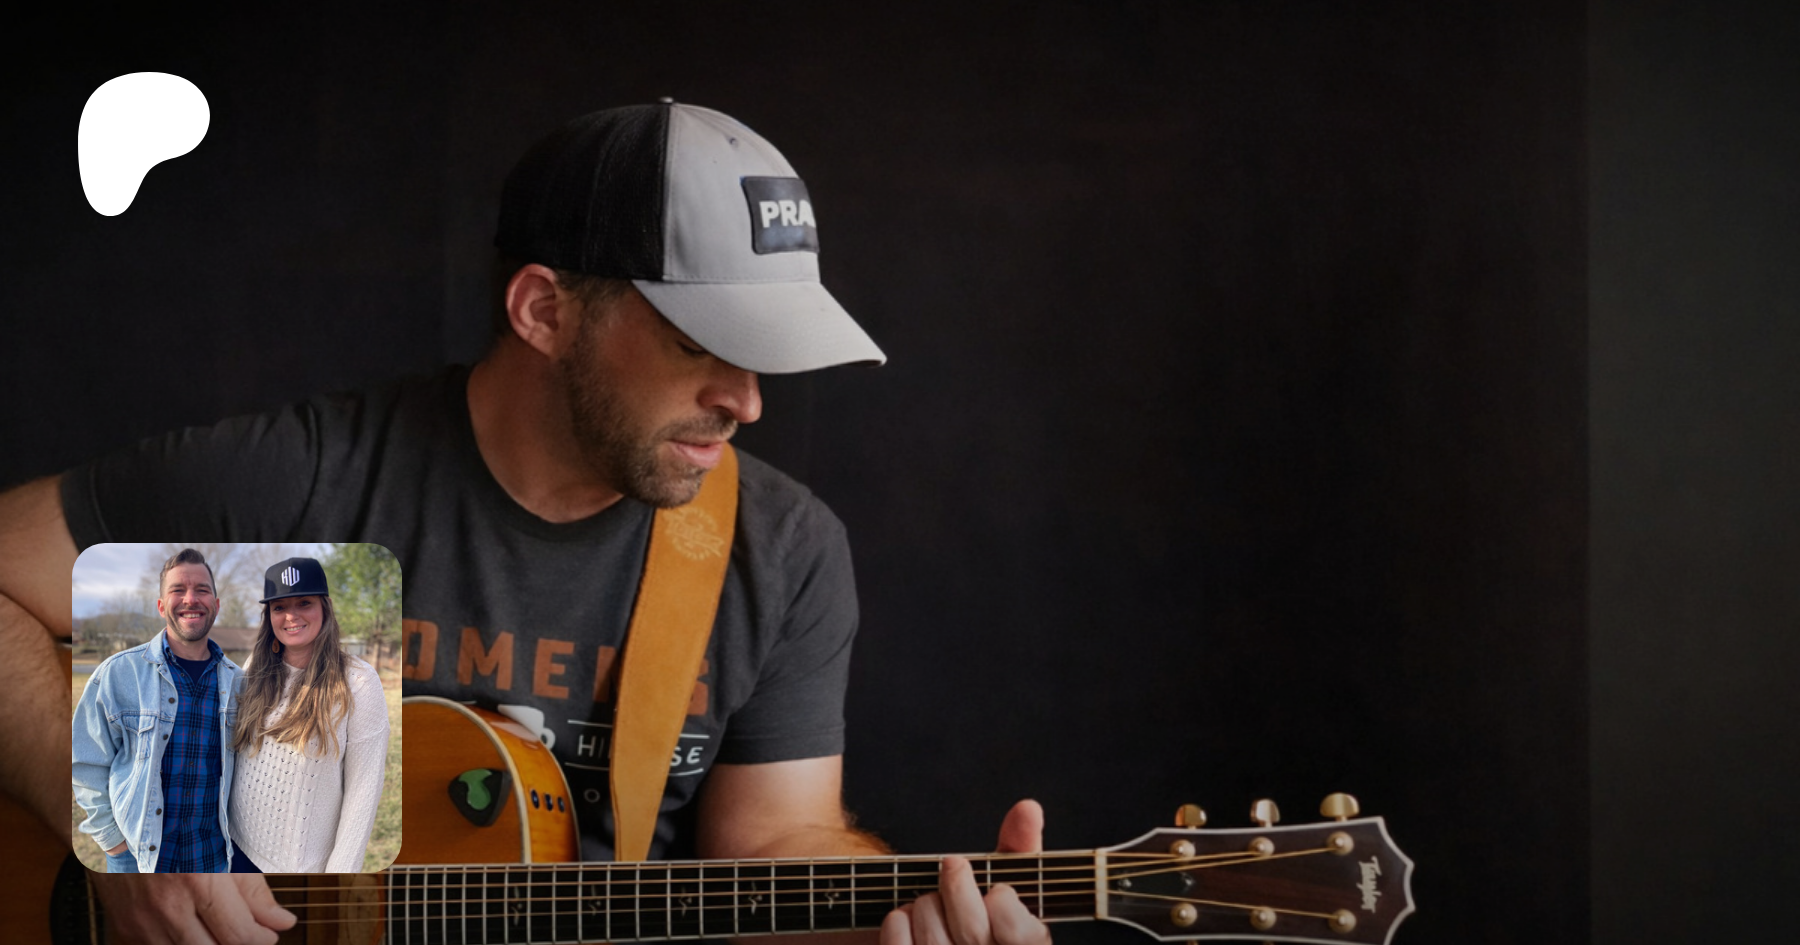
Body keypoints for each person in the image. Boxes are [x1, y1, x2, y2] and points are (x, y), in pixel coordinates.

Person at [0, 101, 1050, 945]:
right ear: (544, 310)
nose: (747, 399)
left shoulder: (778, 550)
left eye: (763, 352)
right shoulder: (306, 479)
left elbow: (771, 848)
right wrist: (113, 830)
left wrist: (907, 918)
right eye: (700, 344)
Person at [72, 548, 243, 873]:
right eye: (178, 589)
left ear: (216, 605)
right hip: (136, 859)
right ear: (162, 605)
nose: (191, 599)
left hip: (213, 860)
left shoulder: (239, 683)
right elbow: (85, 763)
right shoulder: (117, 673)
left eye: (202, 589)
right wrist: (113, 841)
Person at [228, 556, 388, 873]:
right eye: (279, 607)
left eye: (304, 603)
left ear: (324, 608)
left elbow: (363, 793)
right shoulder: (254, 669)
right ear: (269, 616)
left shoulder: (358, 681)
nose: (291, 616)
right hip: (234, 848)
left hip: (297, 870)